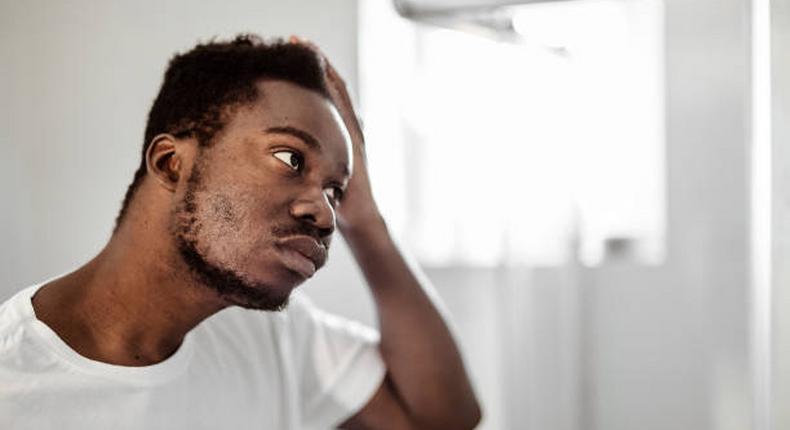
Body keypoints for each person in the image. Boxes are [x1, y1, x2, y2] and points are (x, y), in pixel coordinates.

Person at [0, 34, 481, 429]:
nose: (327, 215)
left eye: (335, 191)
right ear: (171, 164)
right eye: (291, 158)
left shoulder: (271, 335)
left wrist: (368, 221)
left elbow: (442, 420)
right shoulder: (13, 387)